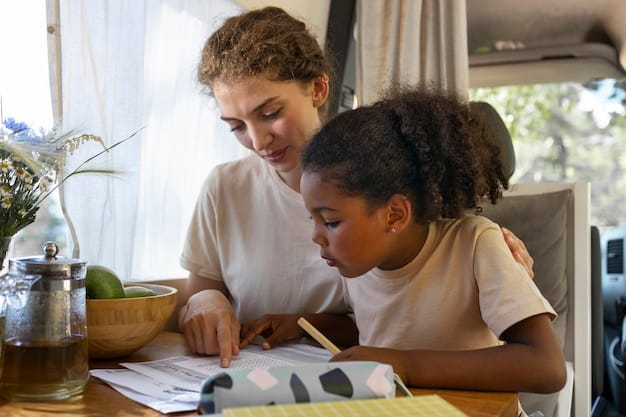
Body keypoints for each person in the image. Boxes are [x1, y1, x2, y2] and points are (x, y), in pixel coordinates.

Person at [179, 6, 536, 368]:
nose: (257, 141)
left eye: (270, 113)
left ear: (318, 88)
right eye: (236, 126)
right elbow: (203, 286)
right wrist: (206, 302)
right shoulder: (224, 188)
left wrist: (491, 255)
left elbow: (410, 314)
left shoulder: (391, 185)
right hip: (260, 373)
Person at [265, 85, 566, 399]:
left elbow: (546, 366)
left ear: (395, 214)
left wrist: (403, 365)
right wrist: (302, 325)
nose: (316, 235)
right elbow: (385, 333)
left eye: (330, 221)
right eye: (312, 219)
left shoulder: (476, 244)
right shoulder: (360, 264)